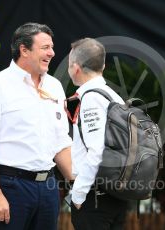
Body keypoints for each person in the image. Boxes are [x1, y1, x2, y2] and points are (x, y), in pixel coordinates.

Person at [0, 22, 72, 230]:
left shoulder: (55, 86)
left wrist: (78, 182)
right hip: (10, 187)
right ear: (24, 50)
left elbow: (61, 142)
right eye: (45, 47)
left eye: (52, 47)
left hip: (48, 188)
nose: (52, 53)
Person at [67, 38, 128, 230]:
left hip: (94, 197)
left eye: (69, 65)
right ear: (102, 66)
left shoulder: (91, 98)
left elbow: (97, 151)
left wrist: (78, 193)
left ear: (76, 68)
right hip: (116, 192)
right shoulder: (113, 95)